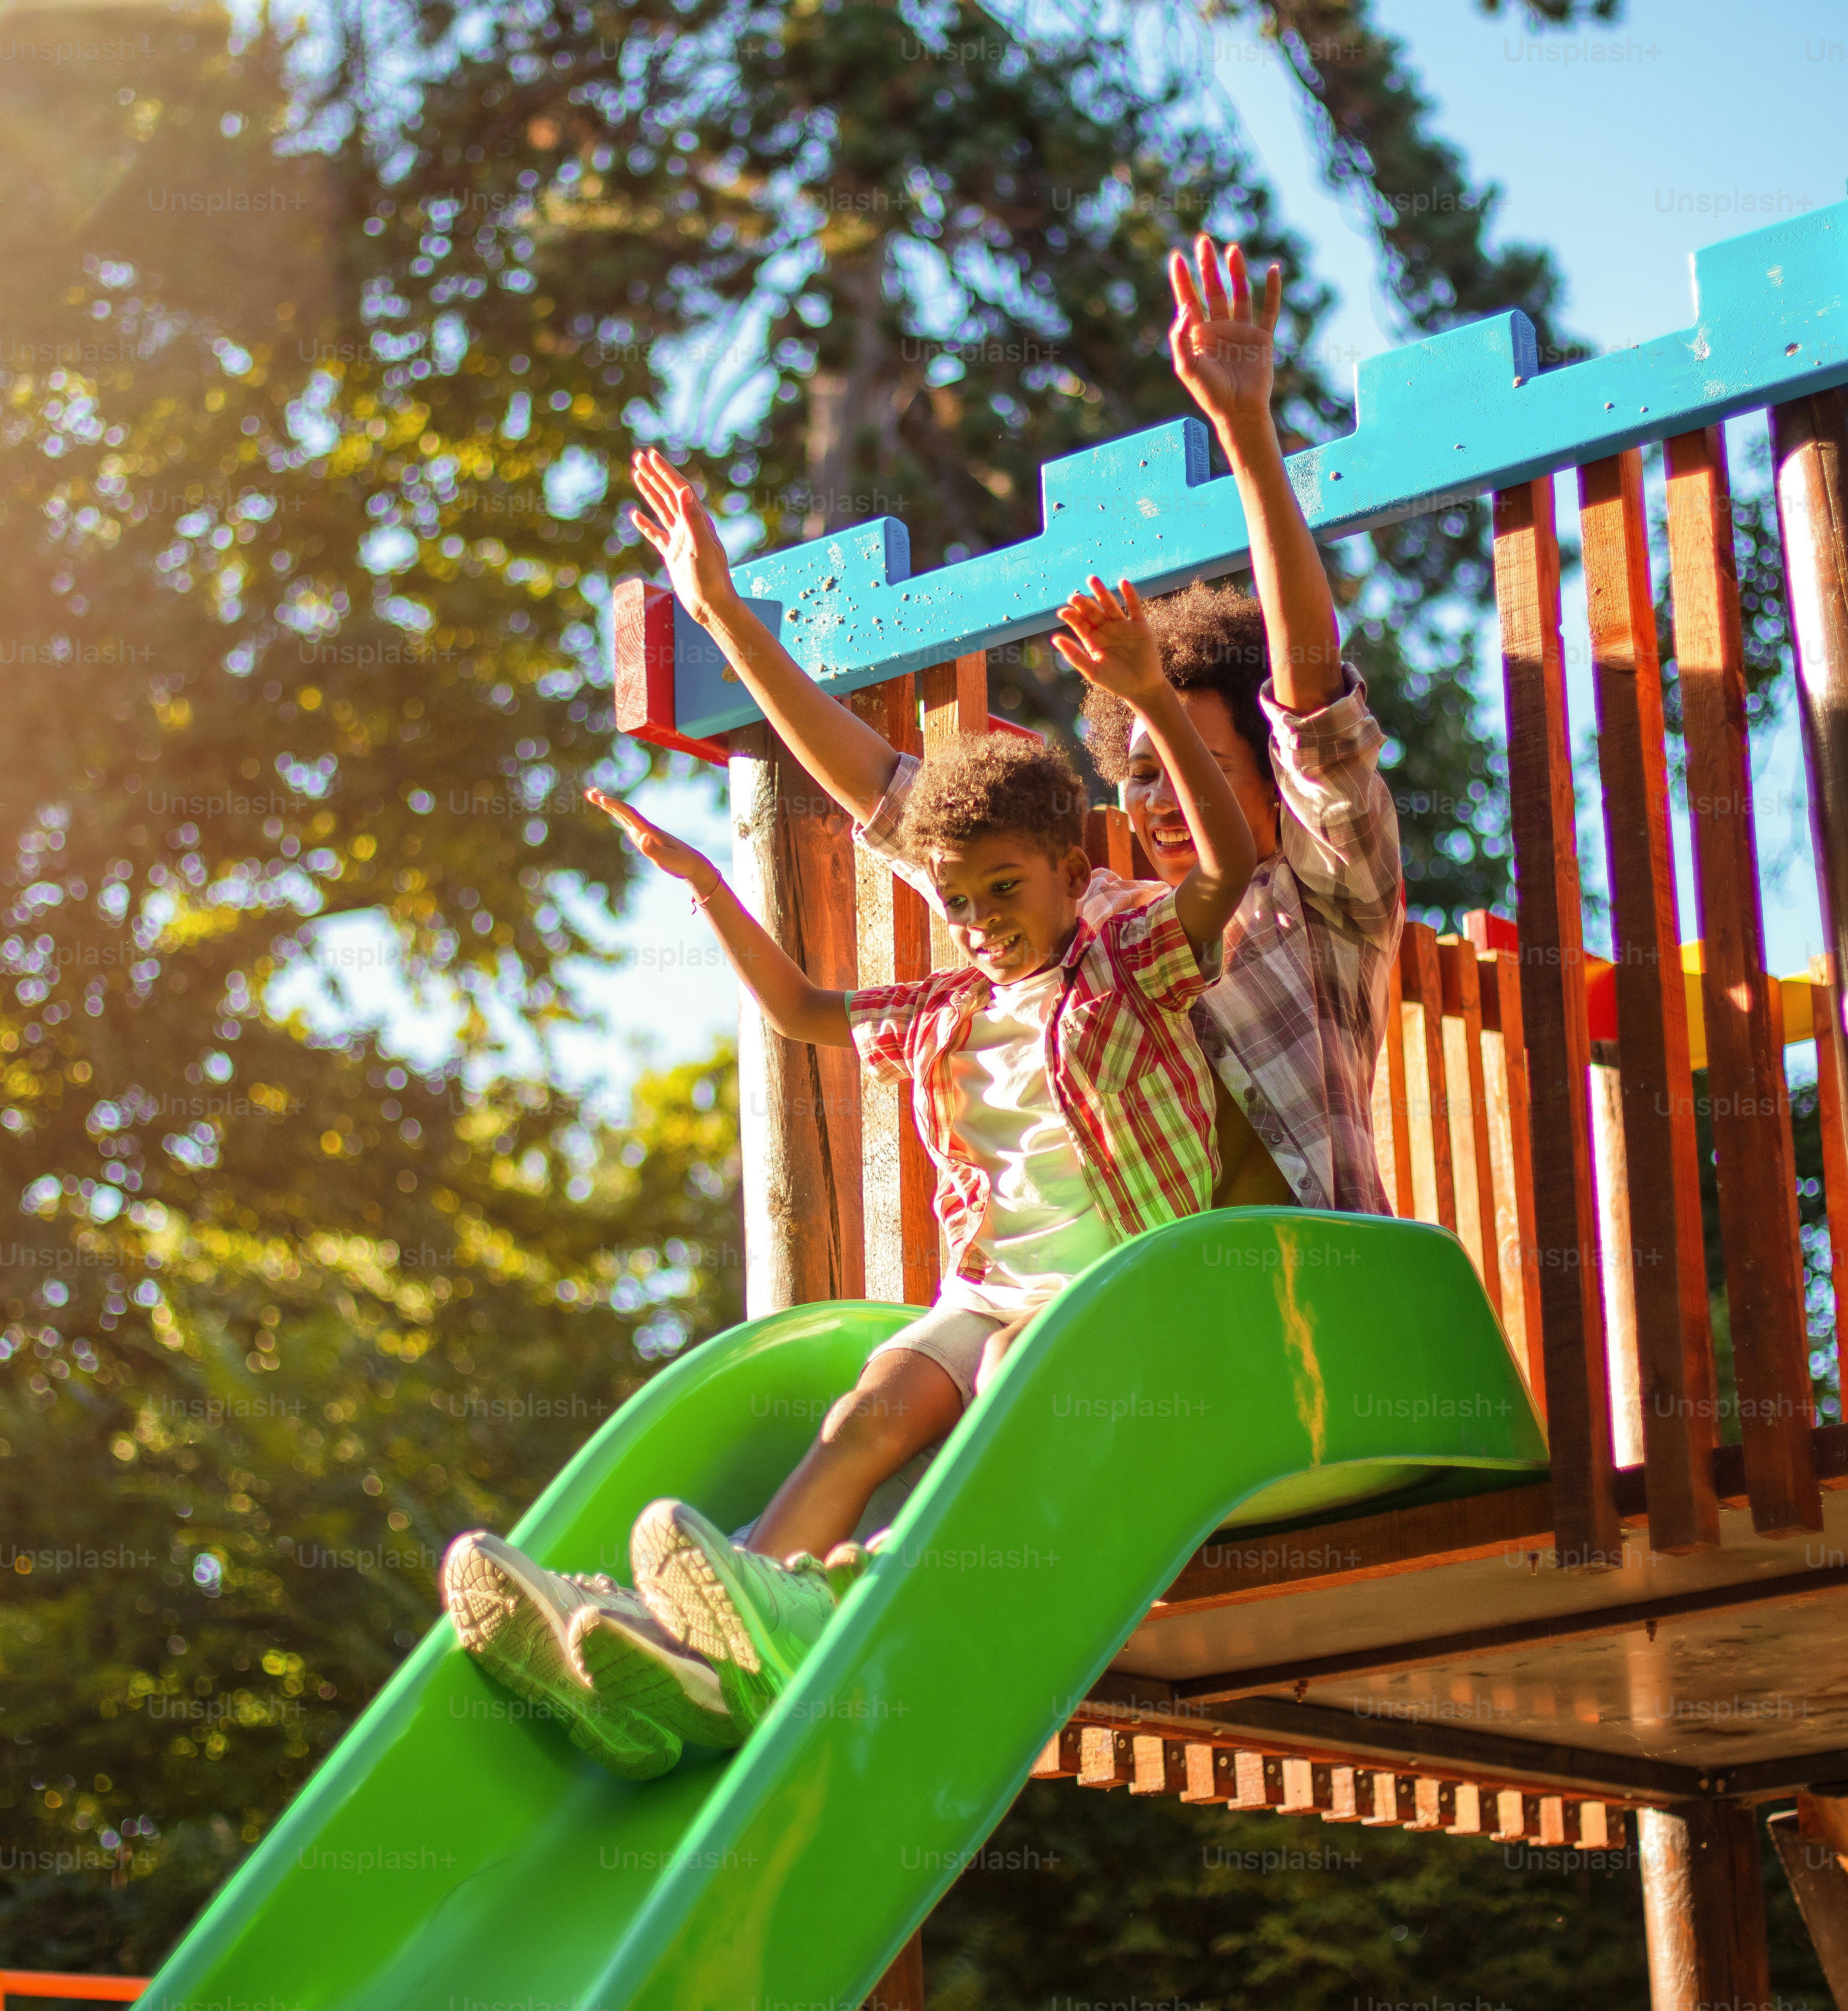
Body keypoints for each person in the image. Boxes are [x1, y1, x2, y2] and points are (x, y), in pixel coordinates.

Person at [439, 575, 1257, 1777]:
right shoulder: (945, 1013)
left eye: (1004, 892)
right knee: (870, 1408)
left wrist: (1152, 703)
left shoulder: (1130, 956)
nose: (980, 922)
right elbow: (801, 1008)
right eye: (959, 902)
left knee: (1021, 1383)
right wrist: (710, 891)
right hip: (994, 1293)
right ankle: (689, 1655)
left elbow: (1226, 869)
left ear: (1071, 866)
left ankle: (844, 1599)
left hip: (1117, 1293)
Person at [627, 233, 1404, 1221]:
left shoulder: (1322, 898)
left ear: (1268, 771)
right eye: (1142, 773)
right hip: (1143, 1310)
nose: (1161, 795)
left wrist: (1249, 432)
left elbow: (1310, 699)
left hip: (1308, 1287)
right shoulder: (1093, 928)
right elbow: (885, 794)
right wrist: (726, 621)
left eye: (1193, 764)